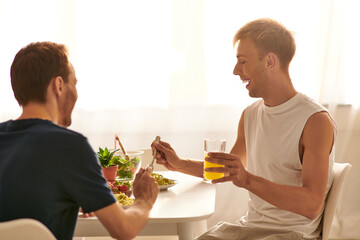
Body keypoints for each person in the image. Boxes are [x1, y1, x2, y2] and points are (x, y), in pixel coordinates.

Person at [152, 18, 336, 240]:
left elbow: (312, 205)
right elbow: (224, 170)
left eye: (242, 61)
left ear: (269, 61)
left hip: (291, 234)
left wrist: (247, 179)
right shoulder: (250, 115)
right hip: (249, 228)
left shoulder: (315, 121)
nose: (235, 71)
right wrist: (178, 163)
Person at [0, 41, 159, 240]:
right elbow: (124, 230)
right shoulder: (71, 147)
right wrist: (144, 199)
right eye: (73, 83)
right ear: (58, 85)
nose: (76, 92)